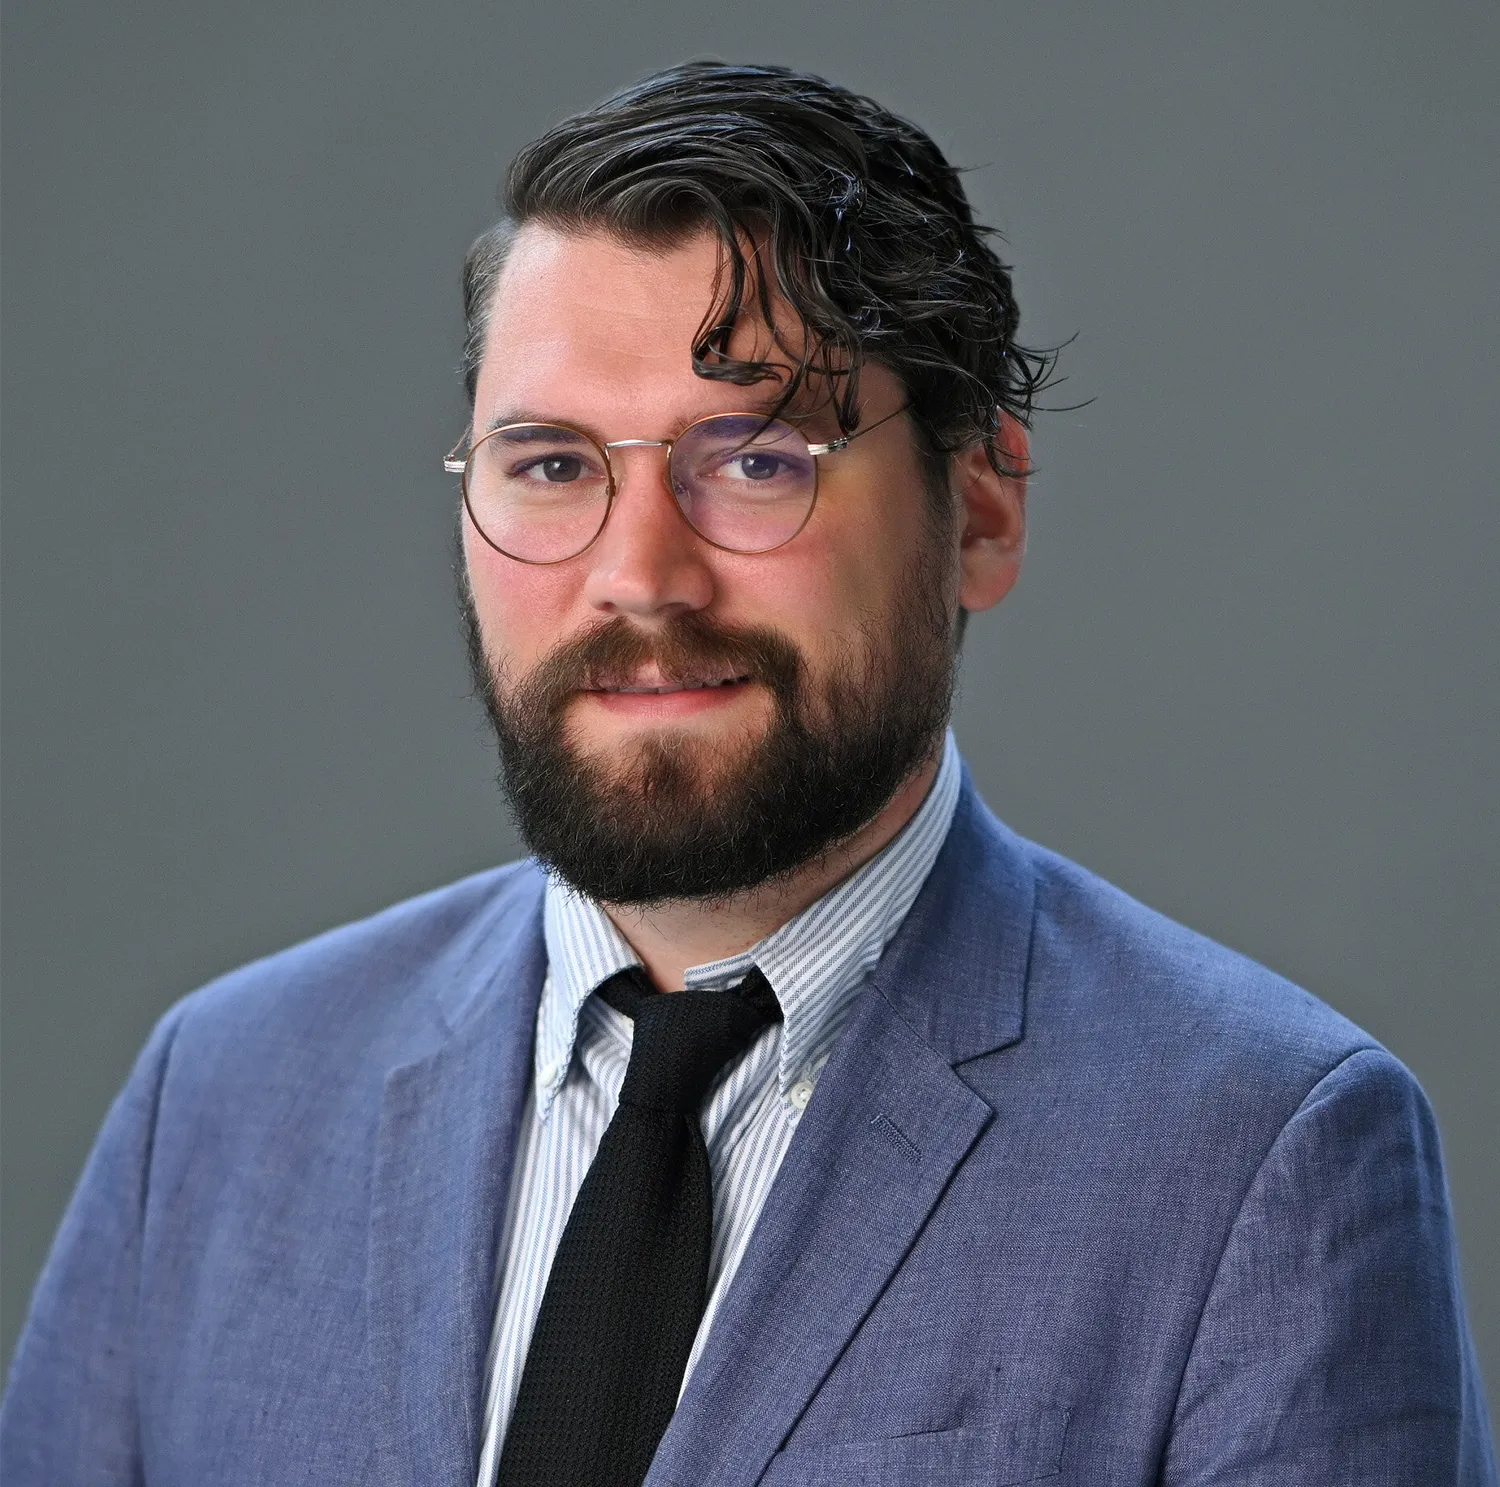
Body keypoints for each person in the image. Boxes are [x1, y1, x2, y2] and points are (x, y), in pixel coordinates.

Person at [1, 59, 1493, 1487]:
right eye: (551, 464)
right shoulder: (222, 1098)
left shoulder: (1260, 1160)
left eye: (756, 459)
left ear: (979, 508)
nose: (639, 579)